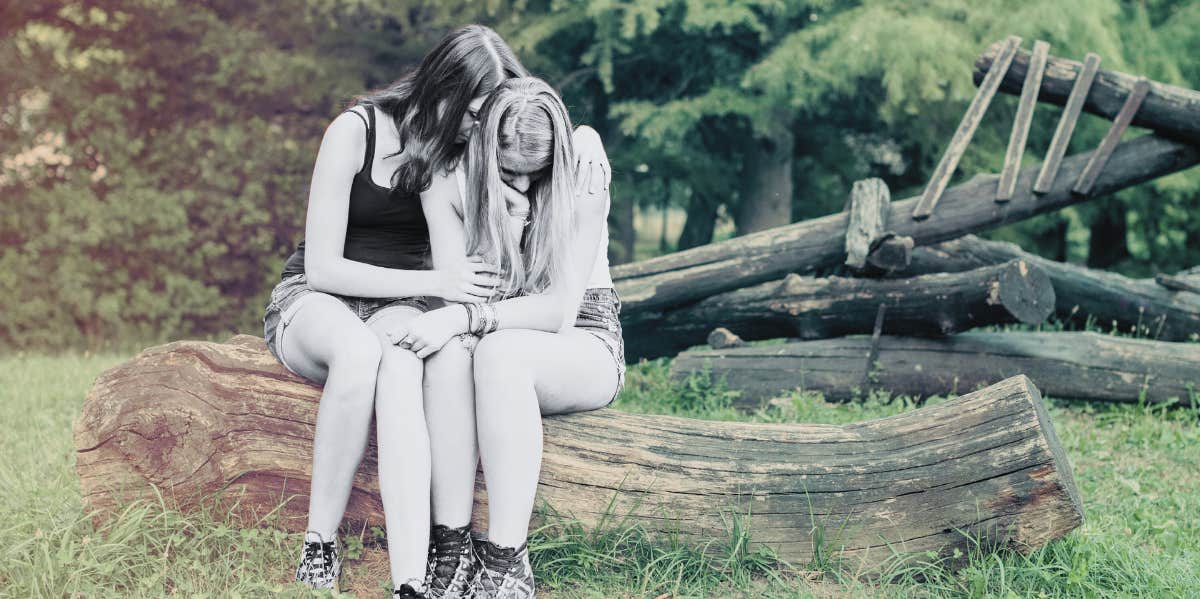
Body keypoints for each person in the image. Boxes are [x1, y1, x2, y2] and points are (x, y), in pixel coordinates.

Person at [259, 26, 610, 597]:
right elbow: (323, 268)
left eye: (488, 116)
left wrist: (578, 151)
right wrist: (440, 287)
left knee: (402, 364)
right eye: (474, 113)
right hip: (323, 296)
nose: (480, 128)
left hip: (410, 305)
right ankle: (320, 541)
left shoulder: (485, 152)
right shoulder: (360, 132)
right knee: (361, 353)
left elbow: (497, 277)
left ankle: (417, 575)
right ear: (442, 87)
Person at [384, 76, 624, 599]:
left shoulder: (583, 178)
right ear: (482, 146)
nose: (520, 185)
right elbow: (458, 295)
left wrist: (467, 317)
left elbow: (559, 312)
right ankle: (451, 544)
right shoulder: (447, 182)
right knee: (450, 355)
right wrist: (505, 233)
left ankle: (506, 562)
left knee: (499, 352)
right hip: (492, 324)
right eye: (507, 171)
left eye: (533, 176)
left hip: (584, 336)